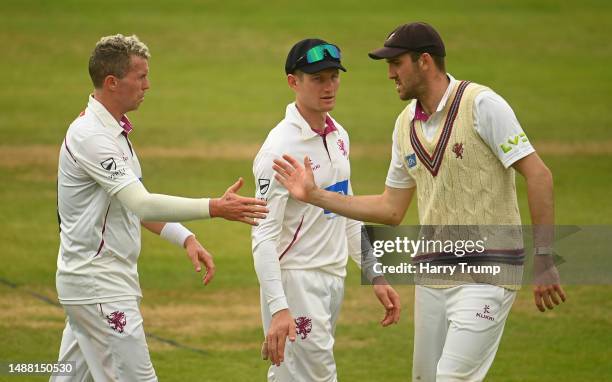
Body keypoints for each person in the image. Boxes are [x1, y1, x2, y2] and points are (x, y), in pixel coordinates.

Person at [272, 23, 567, 381]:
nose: (390, 73)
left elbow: (539, 175)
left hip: (488, 273)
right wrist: (317, 196)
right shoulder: (404, 125)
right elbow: (390, 209)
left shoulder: (481, 105)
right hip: (434, 277)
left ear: (424, 61)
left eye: (396, 63)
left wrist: (545, 257)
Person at [52, 34, 267, 381]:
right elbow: (141, 203)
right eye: (140, 77)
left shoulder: (112, 131)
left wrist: (184, 237)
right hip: (100, 288)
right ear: (112, 82)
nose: (147, 85)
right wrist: (215, 207)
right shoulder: (91, 136)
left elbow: (131, 206)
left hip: (92, 287)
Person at [251, 38, 400, 382]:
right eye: (318, 78)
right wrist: (279, 307)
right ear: (293, 82)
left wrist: (373, 273)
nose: (329, 86)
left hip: (333, 279)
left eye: (334, 76)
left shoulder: (338, 135)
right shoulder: (279, 149)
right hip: (296, 281)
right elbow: (262, 237)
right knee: (318, 376)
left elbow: (345, 208)